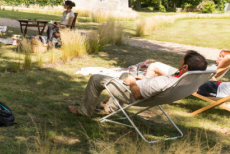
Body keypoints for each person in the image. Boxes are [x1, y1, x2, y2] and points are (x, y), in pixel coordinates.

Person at [68, 50, 208, 117]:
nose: (180, 61)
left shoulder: (165, 81)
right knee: (124, 75)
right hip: (148, 91)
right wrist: (142, 80)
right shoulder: (191, 81)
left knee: (96, 79)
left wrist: (132, 83)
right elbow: (150, 86)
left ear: (185, 67)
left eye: (182, 60)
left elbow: (138, 95)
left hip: (133, 95)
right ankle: (110, 108)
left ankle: (84, 111)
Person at [146, 49, 230, 80]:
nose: (217, 57)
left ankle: (141, 85)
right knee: (157, 70)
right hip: (190, 77)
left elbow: (228, 58)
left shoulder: (218, 69)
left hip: (185, 77)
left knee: (154, 65)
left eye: (220, 57)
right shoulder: (217, 68)